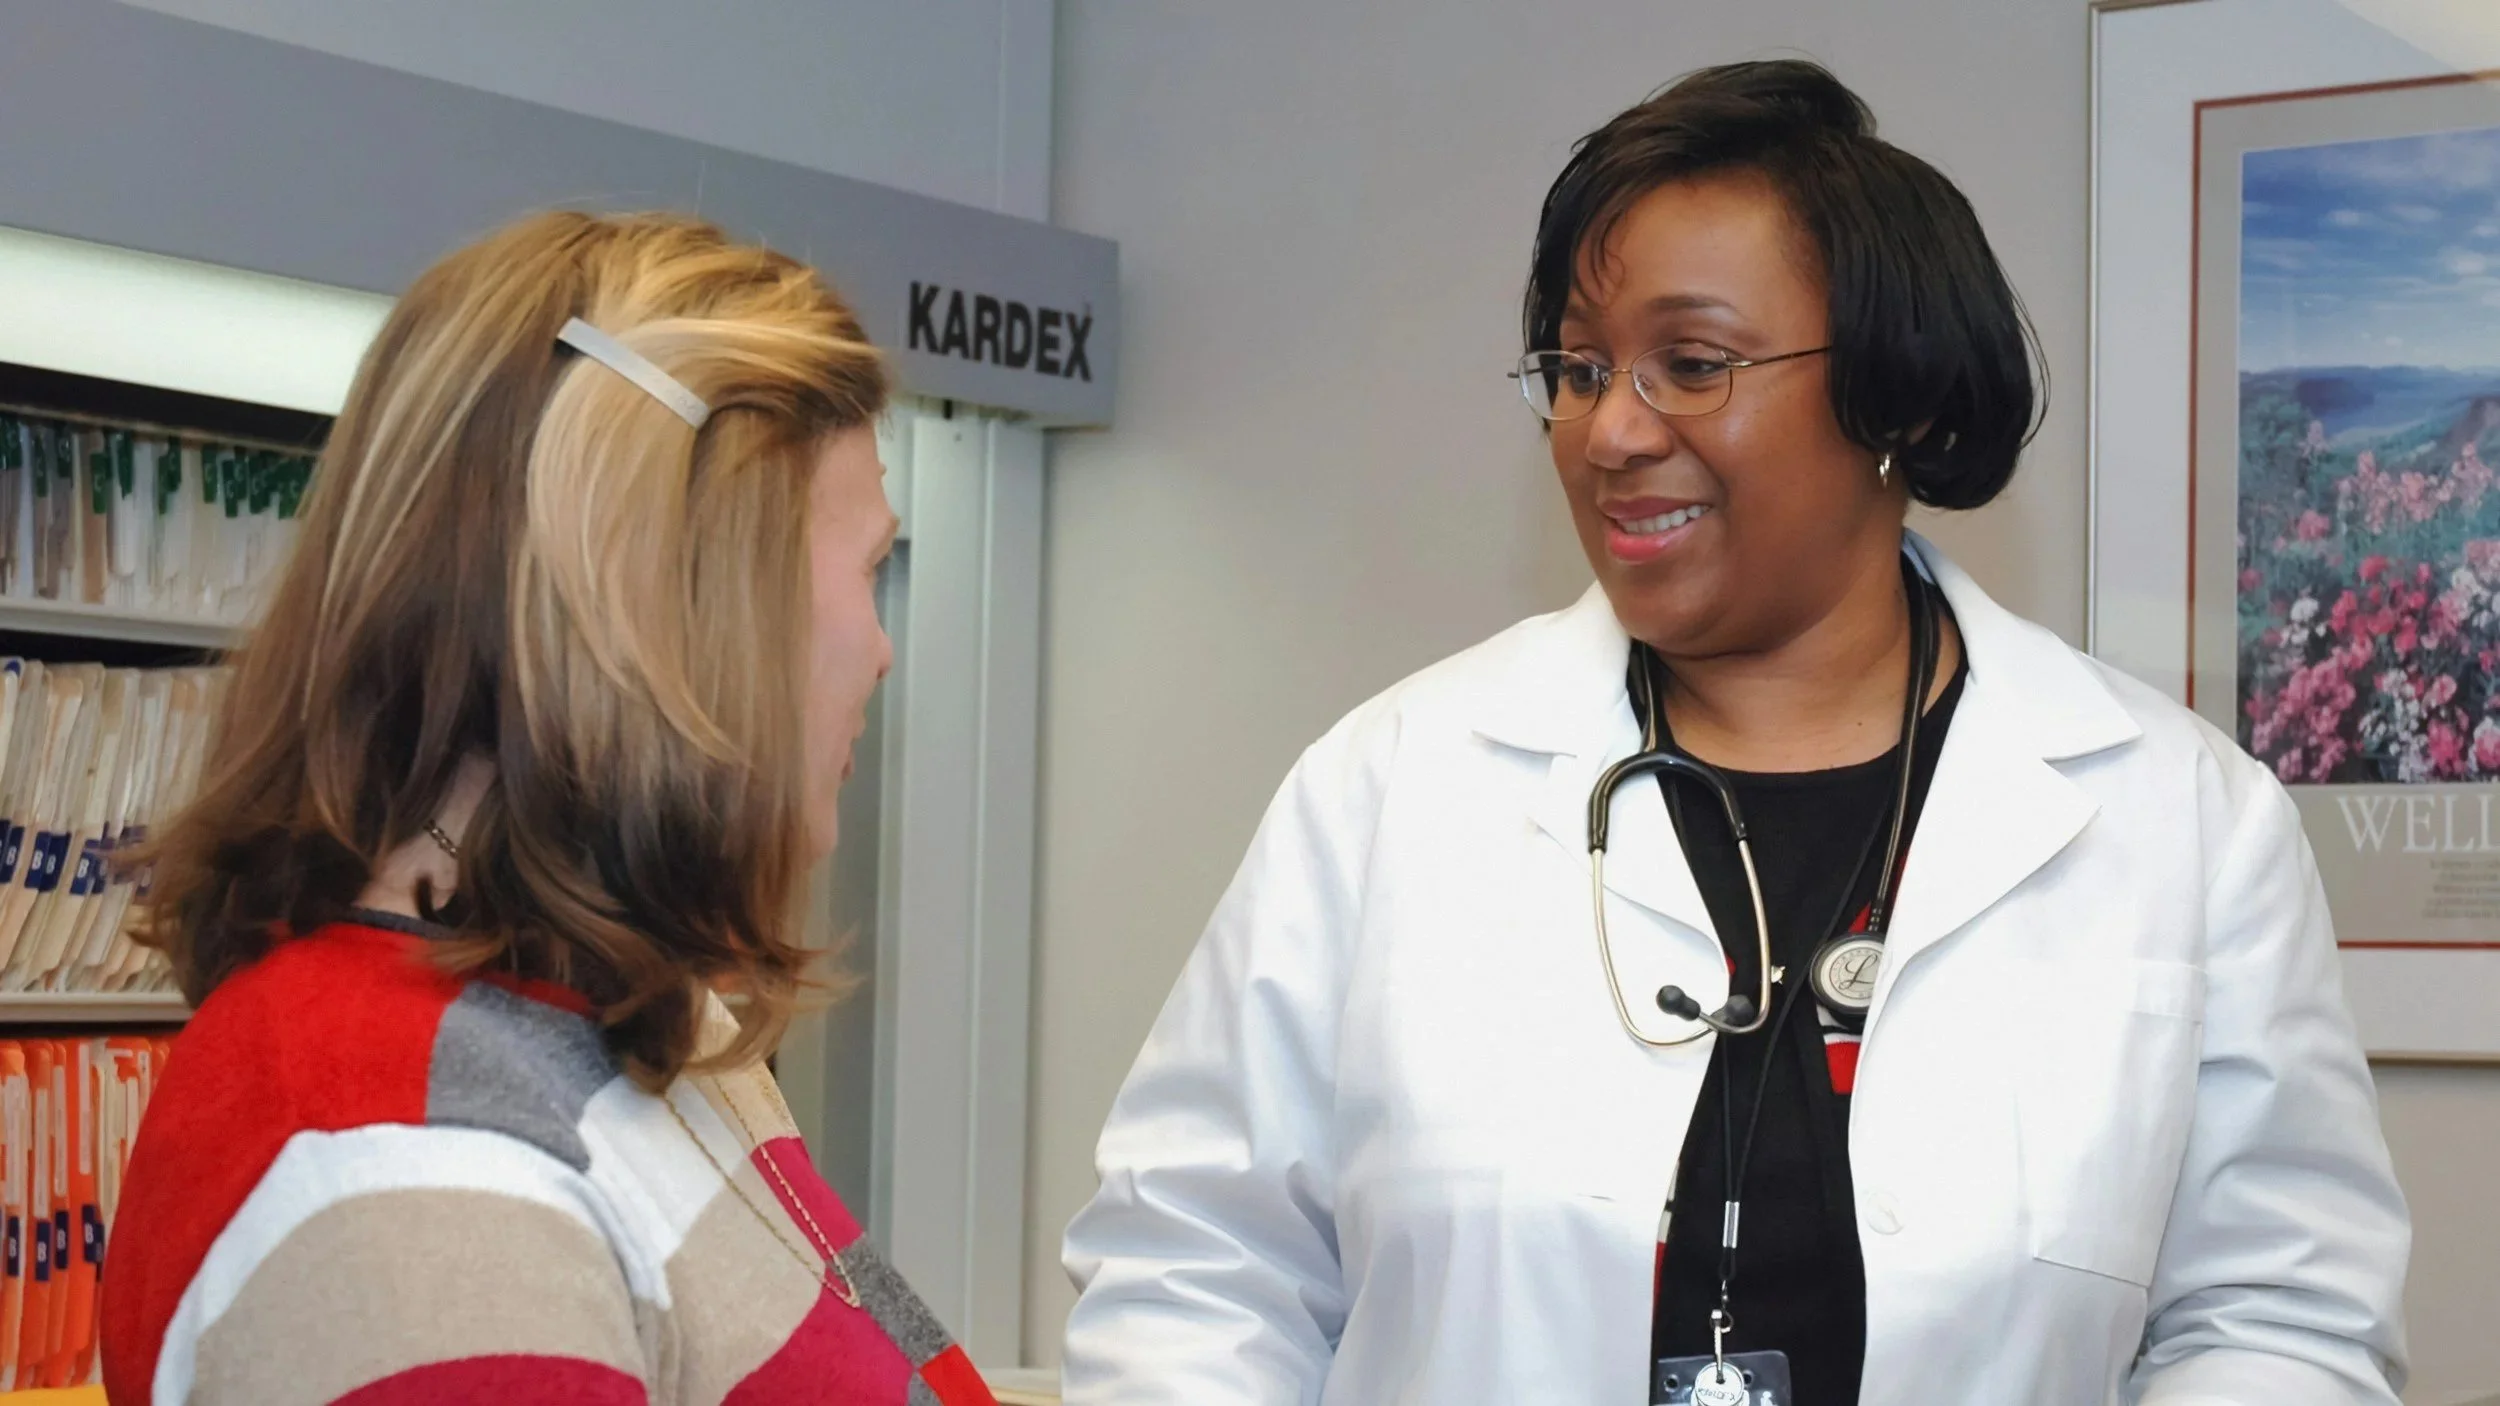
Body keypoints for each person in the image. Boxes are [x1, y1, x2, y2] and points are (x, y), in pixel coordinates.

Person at [1061, 60, 2408, 1405]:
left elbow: (2276, 1317)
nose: (1611, 431)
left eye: (1691, 365)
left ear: (1901, 398)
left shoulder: (2181, 823)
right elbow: (1196, 1272)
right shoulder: (1390, 788)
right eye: (1580, 369)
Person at [100, 212, 998, 1406]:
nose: (879, 648)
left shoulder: (657, 1028)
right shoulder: (404, 1172)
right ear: (688, 611)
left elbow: (880, 1341)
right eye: (866, 567)